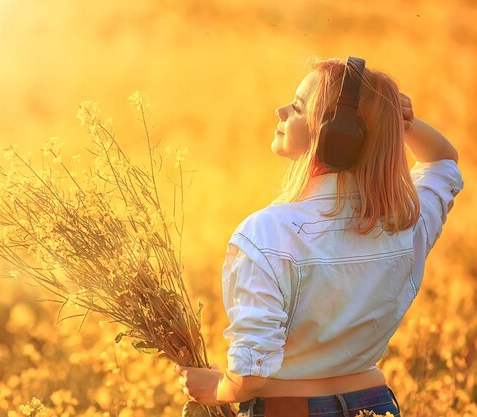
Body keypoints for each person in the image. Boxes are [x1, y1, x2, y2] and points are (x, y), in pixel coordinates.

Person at [174, 57, 464, 417]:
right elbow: (443, 161)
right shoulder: (406, 221)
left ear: (336, 138)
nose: (280, 111)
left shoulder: (266, 232)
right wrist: (400, 123)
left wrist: (216, 388)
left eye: (296, 108)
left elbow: (251, 373)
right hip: (376, 406)